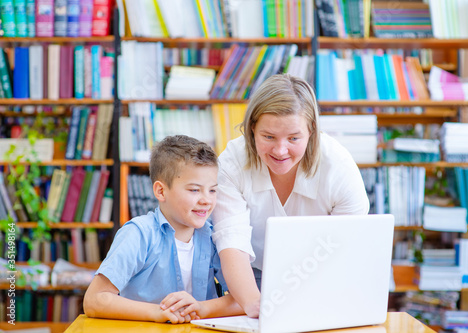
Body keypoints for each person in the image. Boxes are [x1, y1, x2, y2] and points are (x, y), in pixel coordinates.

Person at [211, 74, 370, 317]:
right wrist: (256, 306)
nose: (280, 150)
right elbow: (232, 243)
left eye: (294, 138)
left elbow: (346, 253)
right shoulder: (232, 163)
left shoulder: (339, 169)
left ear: (312, 132)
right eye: (268, 137)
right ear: (252, 128)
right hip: (248, 275)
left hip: (321, 275)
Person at [83, 135, 243, 323]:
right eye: (194, 190)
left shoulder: (214, 236)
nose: (206, 200)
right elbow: (93, 300)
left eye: (213, 190)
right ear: (160, 191)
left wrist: (202, 308)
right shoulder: (138, 234)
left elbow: (244, 299)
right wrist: (158, 312)